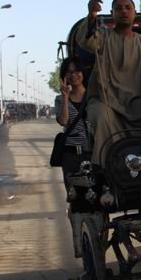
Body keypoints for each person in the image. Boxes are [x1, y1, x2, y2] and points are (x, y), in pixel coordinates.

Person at [75, 0, 141, 165]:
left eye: (128, 7)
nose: (123, 11)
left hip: (137, 103)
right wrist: (91, 15)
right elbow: (85, 40)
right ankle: (107, 167)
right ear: (112, 13)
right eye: (118, 8)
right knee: (100, 115)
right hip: (106, 101)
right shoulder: (103, 37)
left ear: (135, 12)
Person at [55, 56, 89, 186]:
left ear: (83, 73)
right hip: (71, 154)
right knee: (75, 195)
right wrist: (65, 97)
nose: (73, 75)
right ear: (64, 76)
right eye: (69, 72)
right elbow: (63, 121)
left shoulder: (93, 96)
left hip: (93, 153)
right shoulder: (60, 99)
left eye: (77, 71)